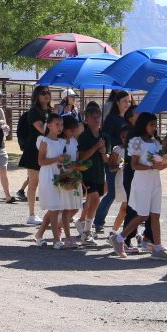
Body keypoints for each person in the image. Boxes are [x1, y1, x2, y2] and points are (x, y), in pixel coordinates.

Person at [113, 112, 167, 259]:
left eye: (155, 125)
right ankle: (119, 238)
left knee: (155, 214)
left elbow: (160, 164)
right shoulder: (136, 141)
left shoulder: (156, 142)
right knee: (142, 215)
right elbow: (134, 165)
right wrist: (152, 167)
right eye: (152, 125)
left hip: (155, 181)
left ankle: (157, 248)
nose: (154, 128)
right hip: (142, 182)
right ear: (144, 125)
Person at [31, 113, 73, 249]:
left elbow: (61, 159)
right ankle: (56, 239)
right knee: (54, 208)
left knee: (55, 207)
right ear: (48, 125)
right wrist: (57, 159)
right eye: (57, 124)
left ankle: (39, 234)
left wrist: (64, 161)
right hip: (48, 176)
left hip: (59, 175)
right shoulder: (44, 141)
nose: (60, 127)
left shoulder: (61, 142)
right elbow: (40, 161)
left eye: (61, 124)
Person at [93, 90, 132, 233]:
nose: (127, 104)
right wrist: (108, 155)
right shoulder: (112, 119)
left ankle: (89, 209)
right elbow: (106, 137)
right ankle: (98, 221)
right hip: (113, 158)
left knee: (120, 192)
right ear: (117, 102)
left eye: (129, 101)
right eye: (124, 101)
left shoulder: (128, 118)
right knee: (112, 192)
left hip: (126, 159)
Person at [14, 84, 52, 225]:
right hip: (33, 151)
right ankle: (31, 214)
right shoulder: (33, 112)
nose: (46, 95)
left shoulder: (51, 111)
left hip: (48, 150)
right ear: (36, 96)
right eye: (43, 93)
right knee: (33, 182)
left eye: (48, 92)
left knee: (49, 182)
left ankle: (52, 212)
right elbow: (43, 130)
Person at [75, 102, 111, 246]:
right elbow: (82, 157)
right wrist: (96, 147)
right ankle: (87, 233)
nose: (97, 120)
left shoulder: (105, 136)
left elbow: (106, 159)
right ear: (87, 119)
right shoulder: (84, 136)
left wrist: (103, 152)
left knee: (93, 200)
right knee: (95, 199)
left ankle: (82, 223)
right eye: (93, 117)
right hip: (87, 172)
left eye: (98, 117)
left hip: (99, 172)